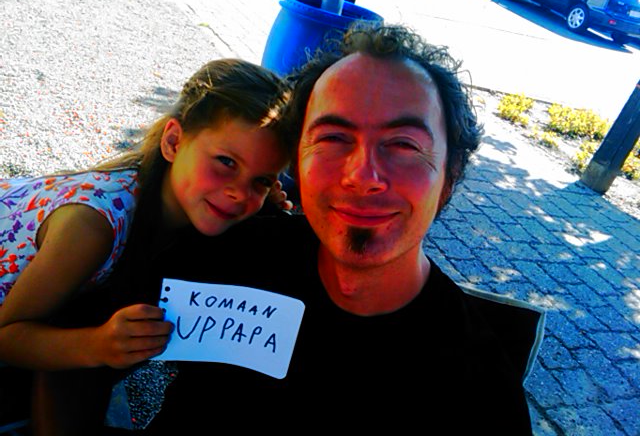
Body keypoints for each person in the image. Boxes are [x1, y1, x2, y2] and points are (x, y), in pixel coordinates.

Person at [102, 23, 538, 434]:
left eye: (404, 144)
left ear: (450, 175)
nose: (362, 176)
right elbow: (89, 348)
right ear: (297, 163)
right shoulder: (229, 247)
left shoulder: (478, 389)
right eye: (333, 138)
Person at [0, 58, 294, 434]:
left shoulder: (178, 201)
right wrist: (97, 345)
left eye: (262, 180)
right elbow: (6, 336)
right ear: (174, 142)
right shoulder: (93, 228)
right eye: (226, 162)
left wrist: (266, 208)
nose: (239, 192)